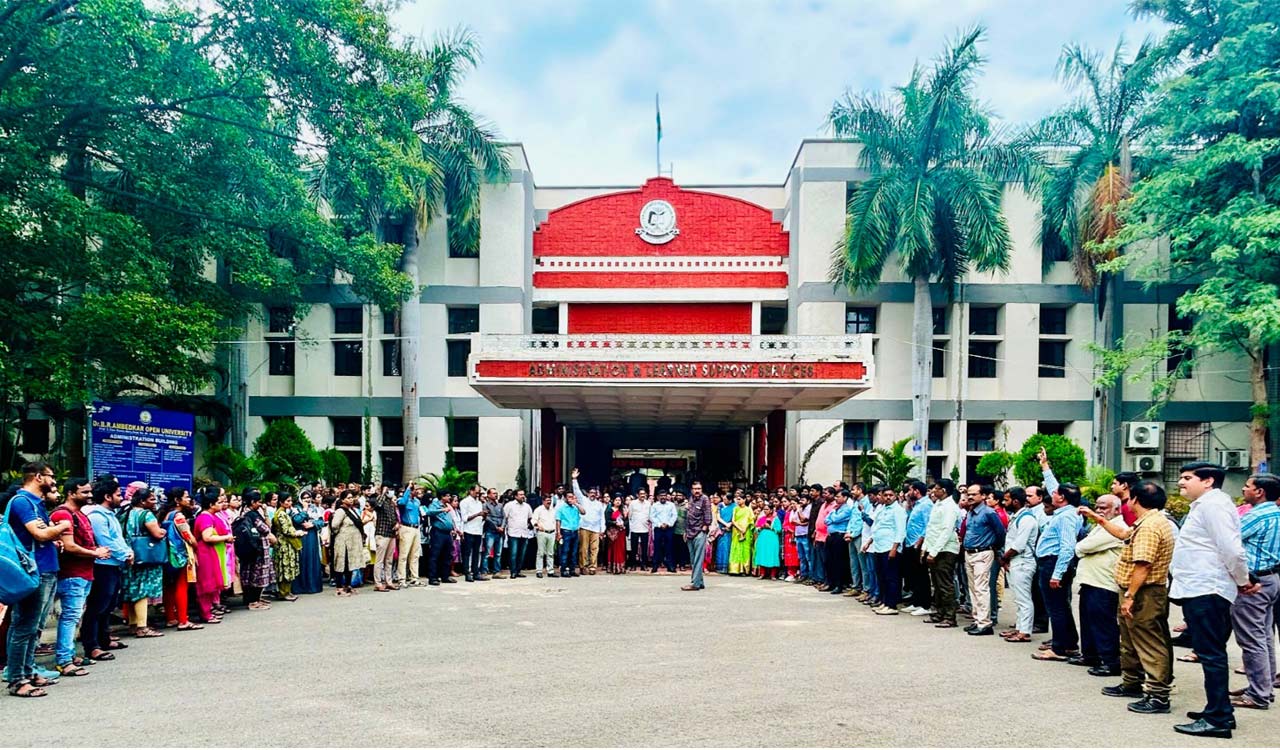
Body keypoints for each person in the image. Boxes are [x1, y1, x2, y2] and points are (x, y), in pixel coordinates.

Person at [1170, 462, 1252, 739]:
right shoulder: (1206, 504)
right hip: (1199, 588)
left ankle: (1218, 719)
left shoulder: (1213, 505)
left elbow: (1232, 548)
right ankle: (1218, 710)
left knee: (1211, 654)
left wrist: (1243, 581)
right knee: (1210, 653)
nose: (1181, 482)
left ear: (1208, 481)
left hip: (1207, 589)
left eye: (1187, 478)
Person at [1085, 481, 1176, 714]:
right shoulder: (1147, 522)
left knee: (1148, 642)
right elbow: (1124, 534)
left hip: (1143, 592)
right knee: (1130, 640)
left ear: (1135, 499)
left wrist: (1130, 596)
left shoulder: (1149, 527)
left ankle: (1157, 695)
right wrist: (1099, 519)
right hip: (1136, 591)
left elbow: (1143, 565)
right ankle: (1132, 682)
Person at [4, 462, 68, 698]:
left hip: (46, 569)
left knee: (35, 627)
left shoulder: (35, 504)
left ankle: (28, 672)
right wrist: (63, 526)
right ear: (39, 477)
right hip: (34, 572)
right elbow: (40, 533)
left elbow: (43, 534)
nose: (53, 481)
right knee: (24, 627)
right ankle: (17, 680)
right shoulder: (23, 502)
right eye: (51, 476)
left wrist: (53, 535)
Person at [1230, 472, 1280, 711]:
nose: (1243, 490)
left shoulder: (1257, 515)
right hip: (1272, 578)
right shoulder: (1275, 512)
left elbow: (1229, 540)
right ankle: (1263, 686)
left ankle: (1258, 693)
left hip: (1254, 583)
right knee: (1264, 637)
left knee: (1252, 639)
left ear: (1259, 492)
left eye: (1247, 486)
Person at [49, 477, 108, 677]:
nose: (90, 495)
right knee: (70, 617)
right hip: (71, 574)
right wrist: (95, 553)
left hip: (84, 573)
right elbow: (70, 546)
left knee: (75, 617)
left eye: (90, 491)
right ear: (71, 493)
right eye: (84, 492)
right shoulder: (62, 514)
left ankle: (70, 655)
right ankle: (64, 660)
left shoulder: (80, 514)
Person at [1072, 494, 1127, 673]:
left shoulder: (1117, 527)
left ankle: (1111, 661)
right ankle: (1090, 655)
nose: (1099, 511)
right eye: (1098, 507)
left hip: (1104, 583)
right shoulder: (1101, 526)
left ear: (1117, 509)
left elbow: (1082, 547)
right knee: (1088, 621)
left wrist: (1083, 548)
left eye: (1104, 507)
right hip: (1090, 581)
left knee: (1104, 624)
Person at [1033, 476, 1083, 662]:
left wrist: (1057, 574)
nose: (1051, 494)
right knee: (1061, 606)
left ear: (1061, 498)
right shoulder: (1066, 511)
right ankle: (1069, 644)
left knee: (1056, 608)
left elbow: (1067, 547)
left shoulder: (1067, 517)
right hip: (1051, 563)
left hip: (1053, 564)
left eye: (1054, 493)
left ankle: (1059, 648)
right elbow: (1057, 488)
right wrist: (1045, 467)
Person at [119, 487, 167, 637]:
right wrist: (163, 531)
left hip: (128, 554)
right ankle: (142, 626)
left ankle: (133, 624)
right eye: (151, 499)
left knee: (132, 590)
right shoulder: (147, 515)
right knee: (143, 591)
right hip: (145, 557)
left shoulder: (126, 513)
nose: (155, 502)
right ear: (142, 501)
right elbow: (157, 533)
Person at [961, 484, 1005, 635]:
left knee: (981, 588)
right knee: (972, 588)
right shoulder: (971, 512)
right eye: (969, 494)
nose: (970, 497)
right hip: (969, 553)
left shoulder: (989, 512)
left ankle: (985, 623)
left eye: (974, 494)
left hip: (983, 552)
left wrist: (994, 548)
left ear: (983, 496)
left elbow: (1000, 532)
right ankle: (977, 619)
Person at [1000, 486, 1040, 643]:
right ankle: (1019, 627)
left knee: (1024, 599)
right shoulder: (1017, 517)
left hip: (1023, 562)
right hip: (1014, 562)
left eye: (1007, 499)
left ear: (1015, 501)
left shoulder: (1027, 519)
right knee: (1018, 597)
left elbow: (1019, 545)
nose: (1004, 502)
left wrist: (1004, 558)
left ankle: (1025, 631)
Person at [159, 487, 200, 630]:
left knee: (169, 586)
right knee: (182, 586)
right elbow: (188, 537)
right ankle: (183, 620)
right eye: (186, 497)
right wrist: (196, 546)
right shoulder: (179, 516)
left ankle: (171, 618)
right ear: (177, 500)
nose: (189, 499)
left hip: (168, 554)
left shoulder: (165, 515)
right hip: (180, 554)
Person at [923, 480, 961, 628]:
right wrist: (926, 548)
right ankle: (939, 613)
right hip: (934, 547)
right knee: (937, 584)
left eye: (936, 489)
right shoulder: (938, 504)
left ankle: (950, 617)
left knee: (945, 584)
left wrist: (934, 551)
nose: (933, 491)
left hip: (945, 550)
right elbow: (931, 527)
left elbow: (946, 530)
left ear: (944, 490)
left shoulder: (950, 507)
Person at [192, 486, 232, 623]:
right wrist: (226, 537)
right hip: (205, 553)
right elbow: (207, 537)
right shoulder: (205, 518)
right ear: (211, 504)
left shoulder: (212, 516)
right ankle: (206, 614)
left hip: (212, 552)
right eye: (219, 502)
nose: (222, 505)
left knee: (212, 583)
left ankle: (208, 611)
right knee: (206, 584)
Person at [867, 488, 907, 616]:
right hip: (879, 547)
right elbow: (877, 527)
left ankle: (892, 605)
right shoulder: (883, 509)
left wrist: (894, 548)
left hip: (890, 547)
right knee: (881, 576)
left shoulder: (898, 511)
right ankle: (884, 602)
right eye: (885, 495)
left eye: (891, 495)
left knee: (891, 577)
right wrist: (869, 542)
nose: (888, 497)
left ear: (895, 496)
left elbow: (900, 531)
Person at [237, 489, 276, 610]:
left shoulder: (244, 513)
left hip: (252, 548)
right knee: (256, 575)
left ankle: (255, 599)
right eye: (258, 502)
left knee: (251, 574)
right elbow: (265, 528)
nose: (260, 504)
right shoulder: (252, 515)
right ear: (252, 502)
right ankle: (253, 601)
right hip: (257, 549)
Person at [901, 481, 933, 613]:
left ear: (916, 491)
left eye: (910, 490)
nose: (908, 493)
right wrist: (908, 504)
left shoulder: (926, 505)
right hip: (910, 543)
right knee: (913, 574)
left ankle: (925, 605)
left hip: (918, 544)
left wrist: (919, 542)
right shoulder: (916, 505)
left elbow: (928, 525)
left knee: (922, 575)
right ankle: (916, 602)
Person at [328, 490, 366, 596]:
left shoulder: (353, 510)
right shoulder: (341, 511)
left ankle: (348, 586)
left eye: (352, 497)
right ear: (343, 500)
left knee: (350, 564)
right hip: (343, 542)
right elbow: (334, 525)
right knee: (342, 564)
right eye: (348, 498)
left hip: (352, 543)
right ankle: (339, 588)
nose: (351, 499)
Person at [271, 492, 306, 601]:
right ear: (281, 502)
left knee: (289, 567)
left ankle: (287, 591)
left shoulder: (284, 512)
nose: (290, 503)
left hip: (287, 543)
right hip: (283, 544)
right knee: (284, 568)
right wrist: (298, 533)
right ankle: (283, 592)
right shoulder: (281, 514)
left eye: (291, 501)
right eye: (287, 501)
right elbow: (286, 530)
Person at [682, 481, 714, 591]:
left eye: (699, 488)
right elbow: (688, 517)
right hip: (690, 532)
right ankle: (700, 582)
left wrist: (705, 527)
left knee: (698, 559)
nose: (697, 491)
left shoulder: (705, 499)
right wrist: (685, 531)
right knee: (693, 559)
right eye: (695, 489)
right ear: (691, 490)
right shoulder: (690, 499)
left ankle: (694, 584)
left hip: (700, 532)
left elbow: (708, 516)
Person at [573, 470, 606, 575]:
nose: (592, 494)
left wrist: (602, 530)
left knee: (594, 549)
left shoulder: (599, 504)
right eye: (591, 493)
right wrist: (574, 479)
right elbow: (577, 491)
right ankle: (583, 566)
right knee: (583, 549)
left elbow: (602, 518)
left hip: (596, 529)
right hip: (584, 527)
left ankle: (592, 567)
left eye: (594, 493)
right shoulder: (583, 500)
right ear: (587, 493)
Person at [368, 486, 400, 591]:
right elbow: (378, 505)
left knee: (389, 560)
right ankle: (378, 583)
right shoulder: (379, 499)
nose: (391, 491)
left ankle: (388, 581)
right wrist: (383, 493)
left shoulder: (391, 503)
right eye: (389, 489)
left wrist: (396, 524)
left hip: (391, 534)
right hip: (382, 533)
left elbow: (393, 516)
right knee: (379, 560)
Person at [423, 492, 458, 585]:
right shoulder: (435, 504)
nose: (449, 497)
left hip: (447, 533)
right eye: (448, 495)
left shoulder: (447, 505)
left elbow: (451, 519)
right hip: (438, 532)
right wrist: (442, 510)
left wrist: (453, 528)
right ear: (442, 496)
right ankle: (433, 577)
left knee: (447, 555)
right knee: (435, 555)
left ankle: (445, 576)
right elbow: (429, 512)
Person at [294, 492, 325, 594]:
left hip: (312, 537)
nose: (307, 500)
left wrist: (312, 524)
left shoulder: (315, 508)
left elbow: (321, 522)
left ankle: (313, 586)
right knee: (303, 559)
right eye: (304, 498)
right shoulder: (296, 508)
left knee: (313, 559)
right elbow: (296, 520)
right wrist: (304, 510)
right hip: (301, 537)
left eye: (308, 498)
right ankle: (302, 587)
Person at [503, 489, 534, 578]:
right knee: (513, 553)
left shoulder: (527, 506)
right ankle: (513, 571)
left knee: (522, 553)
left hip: (524, 532)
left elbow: (529, 518)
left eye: (523, 494)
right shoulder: (509, 505)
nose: (522, 496)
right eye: (520, 494)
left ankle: (518, 570)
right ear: (515, 496)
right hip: (513, 532)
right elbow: (505, 517)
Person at [396, 485, 423, 587]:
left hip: (416, 528)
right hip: (406, 527)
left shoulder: (417, 501)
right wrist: (407, 489)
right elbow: (401, 503)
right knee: (404, 555)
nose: (417, 491)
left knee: (415, 555)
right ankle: (401, 579)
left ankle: (414, 578)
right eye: (415, 489)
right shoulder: (403, 499)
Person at [459, 485, 487, 582]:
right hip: (468, 530)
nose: (478, 494)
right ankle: (467, 573)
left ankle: (476, 572)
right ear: (471, 491)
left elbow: (481, 517)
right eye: (476, 492)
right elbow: (465, 518)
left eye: (479, 492)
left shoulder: (479, 502)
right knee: (467, 553)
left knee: (476, 552)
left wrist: (484, 515)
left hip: (478, 530)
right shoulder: (464, 502)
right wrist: (478, 514)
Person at [531, 494, 558, 578]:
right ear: (543, 501)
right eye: (547, 501)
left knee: (550, 553)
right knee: (540, 553)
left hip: (552, 532)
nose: (549, 502)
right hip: (542, 533)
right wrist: (537, 525)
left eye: (550, 501)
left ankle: (550, 571)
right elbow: (533, 520)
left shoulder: (553, 510)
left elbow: (555, 521)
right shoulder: (538, 510)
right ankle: (539, 570)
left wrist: (557, 532)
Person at [555, 490, 581, 578]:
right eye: (569, 497)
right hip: (565, 531)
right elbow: (558, 521)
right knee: (565, 551)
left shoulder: (575, 507)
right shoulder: (561, 508)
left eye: (572, 497)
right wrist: (558, 533)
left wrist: (576, 504)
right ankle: (564, 570)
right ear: (565, 498)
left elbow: (584, 512)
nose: (571, 499)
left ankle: (572, 569)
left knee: (573, 552)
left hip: (575, 531)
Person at [728, 495, 754, 575]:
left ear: (744, 499)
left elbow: (751, 521)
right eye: (737, 499)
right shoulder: (735, 509)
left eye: (740, 499)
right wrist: (739, 528)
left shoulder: (749, 510)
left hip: (746, 531)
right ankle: (735, 569)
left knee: (745, 550)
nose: (738, 501)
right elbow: (733, 520)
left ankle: (745, 569)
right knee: (736, 548)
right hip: (736, 531)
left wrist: (744, 529)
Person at [626, 489, 651, 571]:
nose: (642, 495)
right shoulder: (633, 503)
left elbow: (650, 515)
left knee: (644, 548)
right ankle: (633, 565)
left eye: (644, 494)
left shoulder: (648, 503)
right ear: (637, 495)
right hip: (635, 528)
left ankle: (644, 565)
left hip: (645, 529)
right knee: (634, 548)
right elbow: (629, 516)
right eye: (641, 494)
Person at [482, 488, 506, 576]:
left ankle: (497, 571)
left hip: (500, 532)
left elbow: (504, 517)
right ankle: (484, 570)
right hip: (491, 531)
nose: (496, 495)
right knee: (487, 552)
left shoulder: (500, 505)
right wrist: (496, 527)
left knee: (498, 553)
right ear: (488, 495)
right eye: (493, 493)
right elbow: (487, 518)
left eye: (496, 493)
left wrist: (502, 527)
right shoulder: (485, 505)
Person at [606, 496, 628, 574]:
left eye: (619, 500)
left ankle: (621, 567)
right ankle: (613, 567)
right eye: (616, 500)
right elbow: (607, 521)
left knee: (621, 549)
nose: (618, 502)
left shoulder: (623, 510)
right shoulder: (609, 510)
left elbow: (626, 520)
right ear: (613, 501)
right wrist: (615, 523)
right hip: (613, 532)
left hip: (621, 532)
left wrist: (623, 525)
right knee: (613, 549)